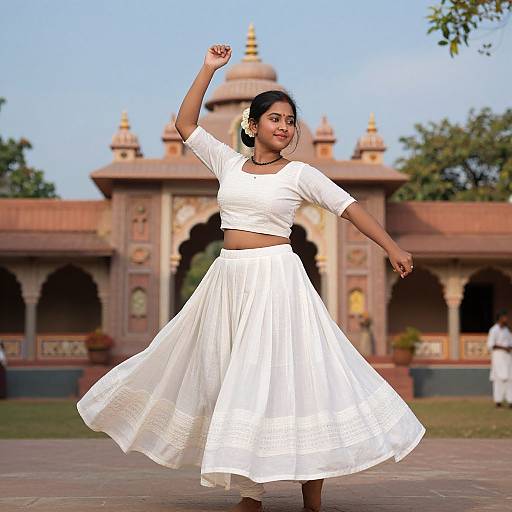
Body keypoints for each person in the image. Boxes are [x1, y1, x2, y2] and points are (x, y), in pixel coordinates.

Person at [77, 44, 426, 512]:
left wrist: (392, 246)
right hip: (229, 281)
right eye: (275, 119)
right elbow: (185, 124)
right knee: (232, 378)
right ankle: (250, 492)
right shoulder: (227, 163)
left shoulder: (300, 173)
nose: (284, 127)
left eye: (290, 122)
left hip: (278, 282)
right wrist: (207, 69)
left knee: (300, 380)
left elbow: (349, 207)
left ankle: (312, 496)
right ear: (253, 124)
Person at [486, 309, 512, 408]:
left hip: (508, 358)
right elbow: (491, 345)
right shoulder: (494, 330)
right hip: (498, 357)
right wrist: (504, 348)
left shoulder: (507, 330)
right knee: (499, 379)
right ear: (500, 318)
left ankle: (510, 400)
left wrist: (508, 348)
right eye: (504, 317)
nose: (506, 319)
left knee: (509, 379)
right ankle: (498, 401)